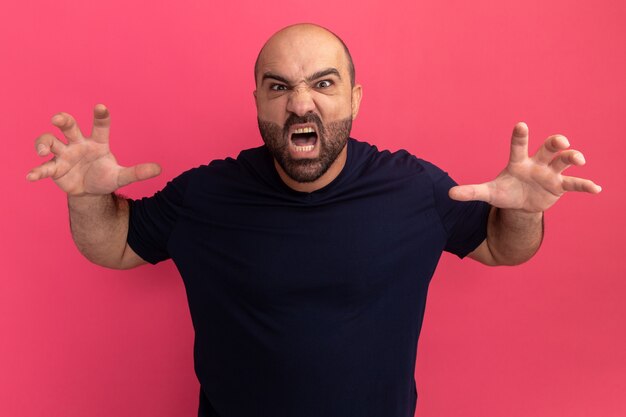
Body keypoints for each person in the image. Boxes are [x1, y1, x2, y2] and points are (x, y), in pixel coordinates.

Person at [28, 23, 601, 417]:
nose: (300, 104)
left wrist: (522, 213)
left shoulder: (413, 188)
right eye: (279, 87)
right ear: (257, 101)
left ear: (354, 98)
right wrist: (84, 198)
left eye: (323, 84)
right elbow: (116, 244)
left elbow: (504, 248)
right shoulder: (206, 195)